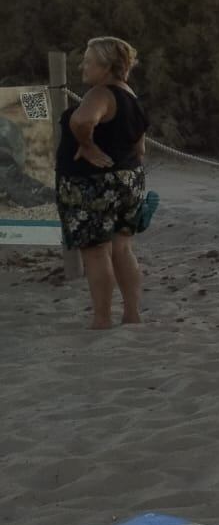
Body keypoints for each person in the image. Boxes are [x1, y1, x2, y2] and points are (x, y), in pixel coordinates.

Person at [56, 36, 148, 329]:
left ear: (106, 66)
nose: (82, 65)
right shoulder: (130, 96)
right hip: (128, 180)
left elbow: (82, 121)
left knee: (96, 253)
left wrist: (89, 145)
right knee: (122, 249)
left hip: (93, 186)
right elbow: (140, 149)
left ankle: (102, 320)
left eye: (88, 60)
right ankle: (132, 315)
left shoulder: (100, 94)